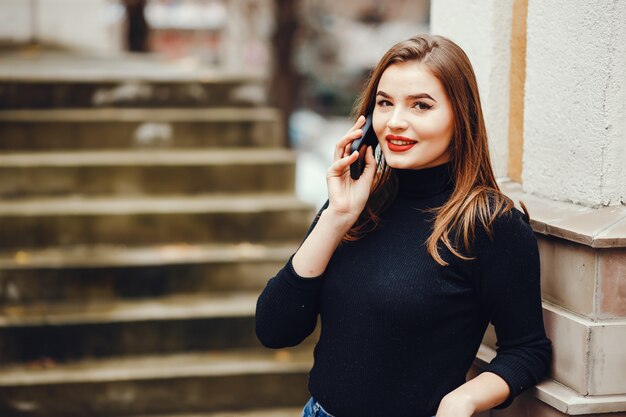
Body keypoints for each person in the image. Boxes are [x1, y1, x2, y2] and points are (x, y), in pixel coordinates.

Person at [255, 34, 552, 417]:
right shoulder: (355, 203)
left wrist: (464, 399)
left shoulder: (489, 224)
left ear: (460, 116)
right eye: (384, 103)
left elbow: (528, 349)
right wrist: (336, 218)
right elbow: (275, 330)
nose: (395, 122)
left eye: (421, 106)